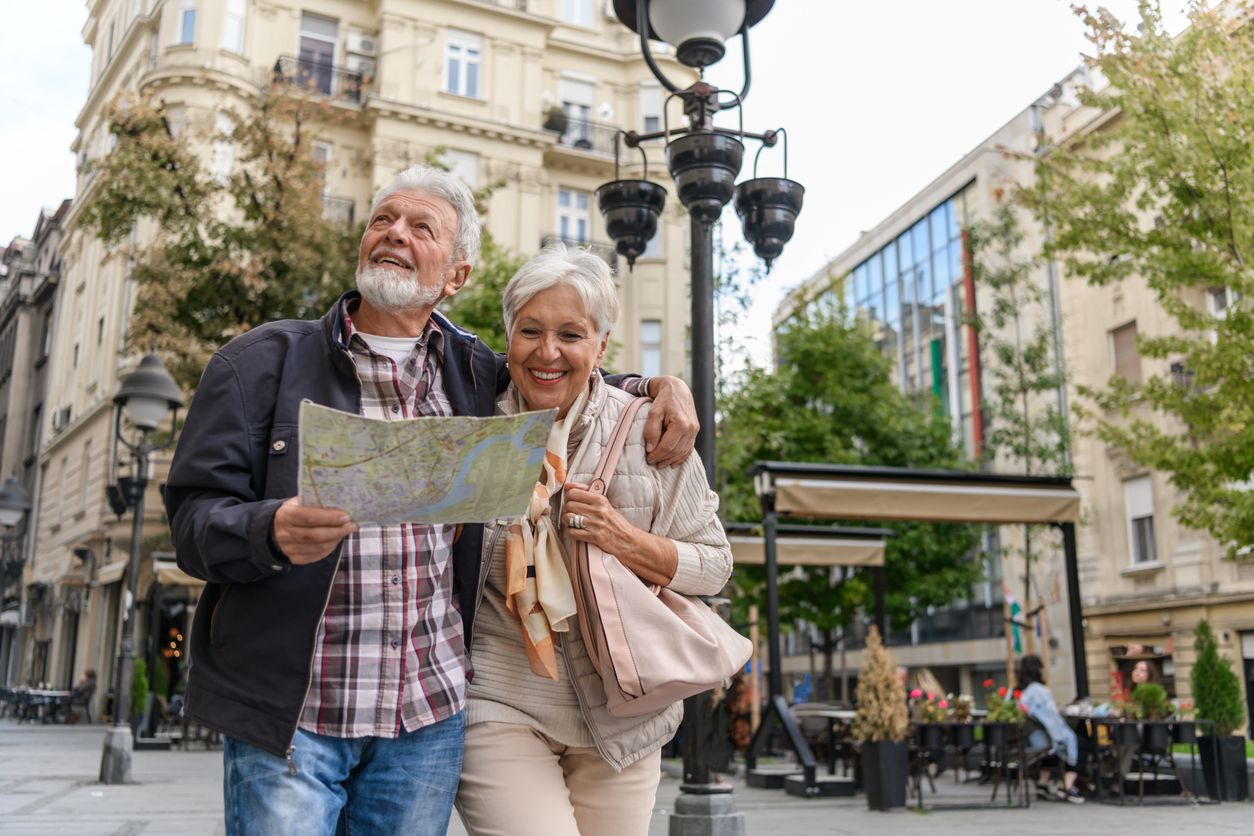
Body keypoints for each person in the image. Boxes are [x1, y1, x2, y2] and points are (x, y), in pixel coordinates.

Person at [164, 166, 700, 836]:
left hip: (426, 716)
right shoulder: (255, 365)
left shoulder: (474, 373)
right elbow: (191, 524)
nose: (394, 233)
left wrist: (657, 385)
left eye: (423, 228)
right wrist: (267, 531)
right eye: (383, 220)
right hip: (295, 717)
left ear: (456, 277)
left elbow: (561, 369)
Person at [453, 245, 733, 836]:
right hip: (500, 698)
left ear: (601, 346)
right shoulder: (473, 431)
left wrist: (624, 539)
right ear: (509, 337)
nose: (547, 352)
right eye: (530, 330)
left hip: (623, 712)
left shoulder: (649, 431)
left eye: (571, 334)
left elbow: (714, 567)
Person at [1017, 654, 1085, 804]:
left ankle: (1043, 782)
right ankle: (1067, 785)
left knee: (1056, 743)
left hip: (1024, 738)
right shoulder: (1040, 691)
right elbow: (1052, 715)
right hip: (1039, 739)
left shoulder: (1019, 691)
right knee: (1074, 742)